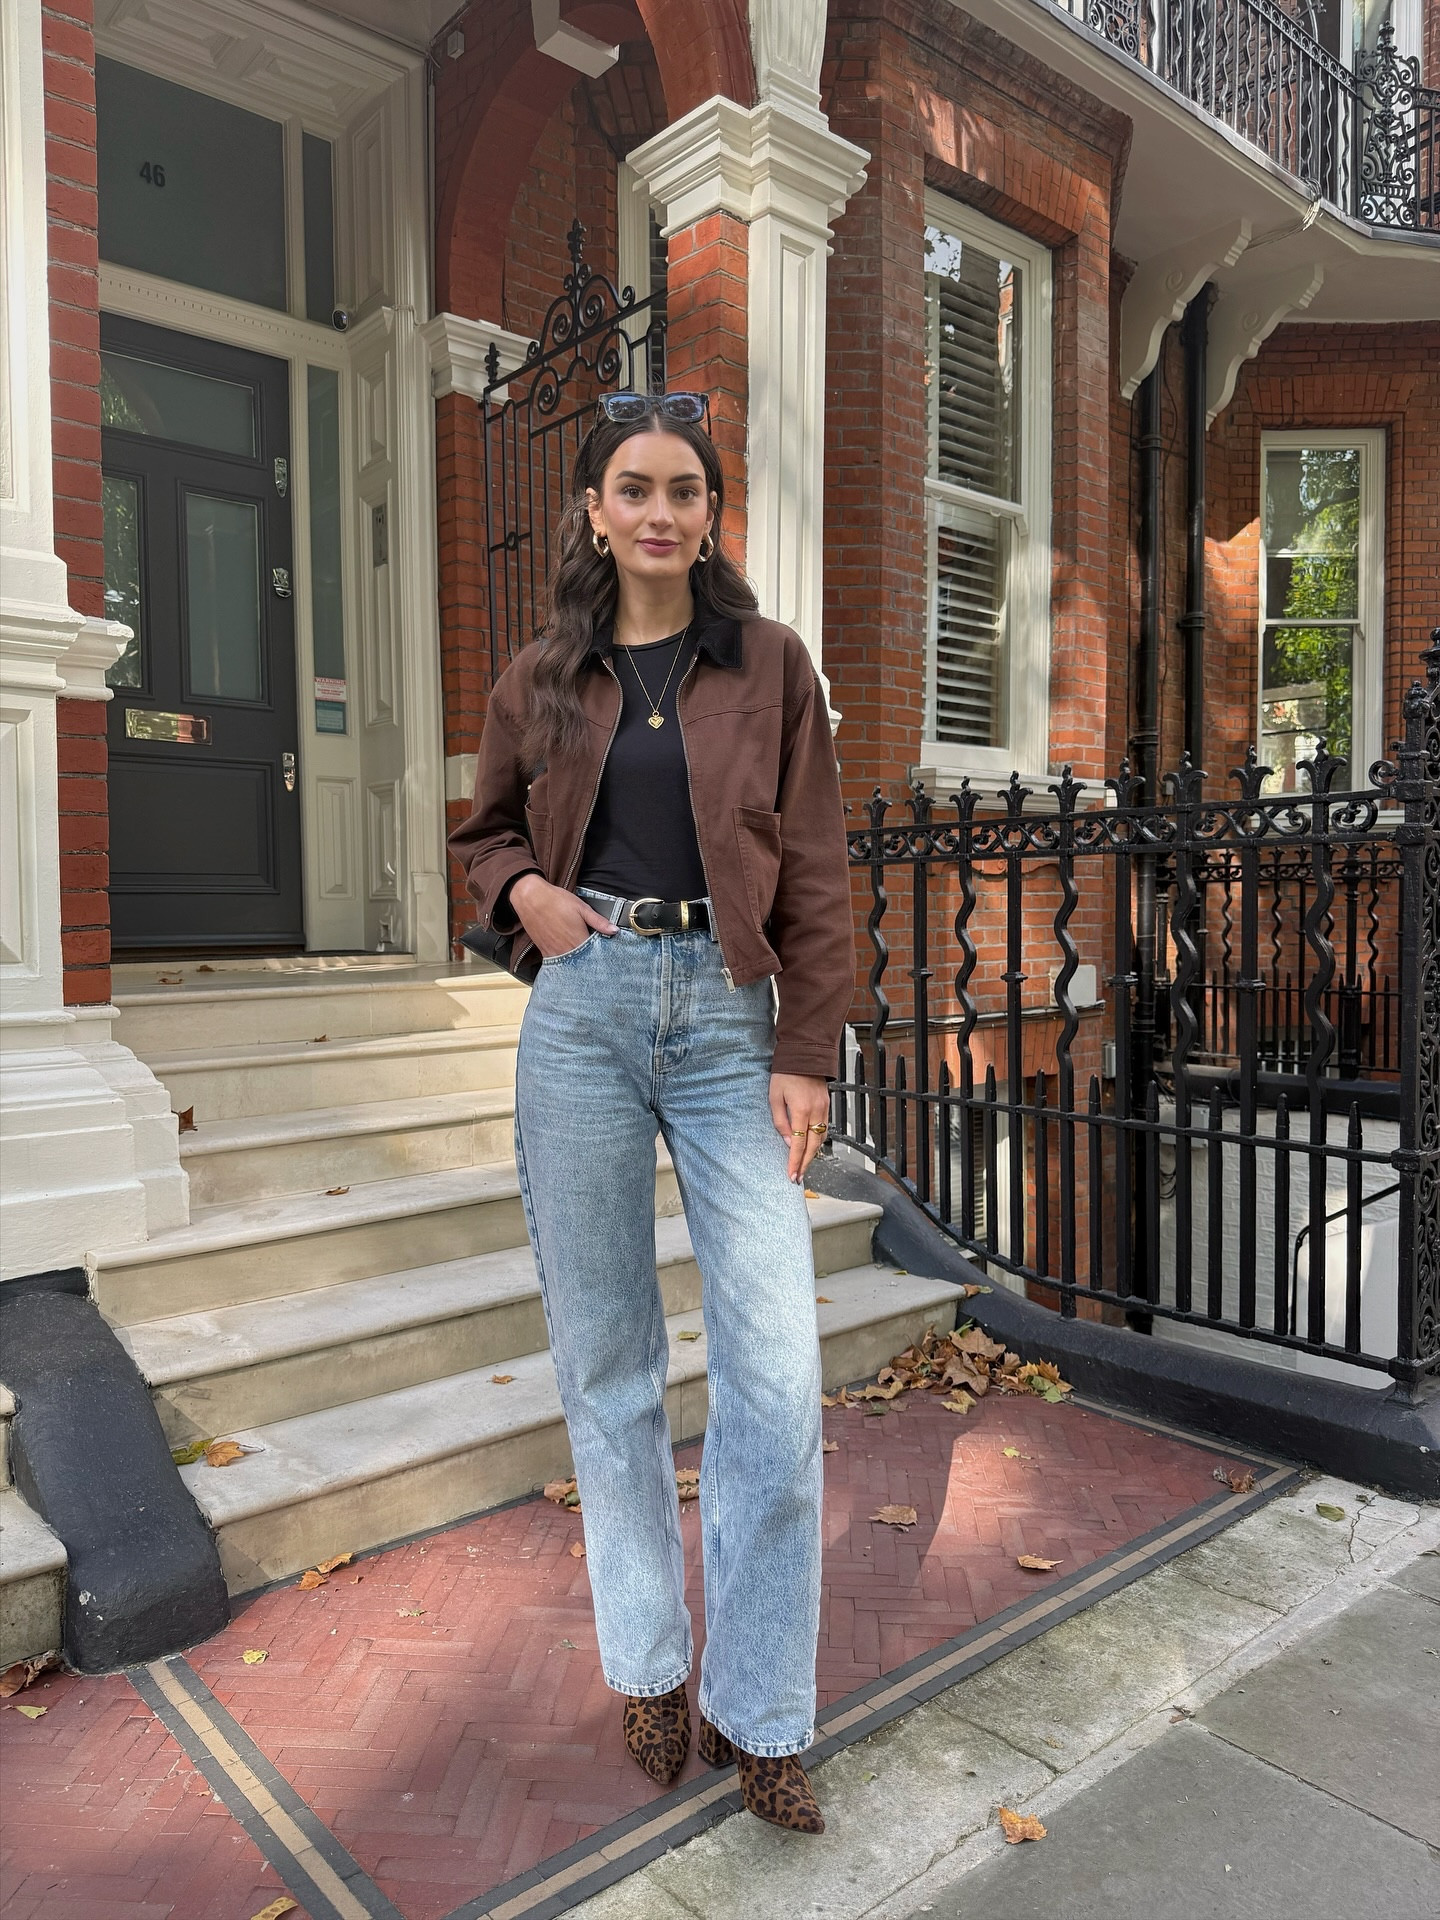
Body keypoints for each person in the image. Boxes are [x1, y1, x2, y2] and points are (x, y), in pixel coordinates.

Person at [448, 391, 854, 1833]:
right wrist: (529, 901)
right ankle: (648, 1666)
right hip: (588, 1009)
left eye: (687, 489)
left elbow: (816, 861)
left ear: (711, 512)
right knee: (608, 1358)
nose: (663, 512)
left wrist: (808, 1045)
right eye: (637, 488)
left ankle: (761, 1709)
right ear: (596, 511)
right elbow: (477, 835)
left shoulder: (770, 666)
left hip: (731, 1022)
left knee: (777, 1375)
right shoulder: (541, 676)